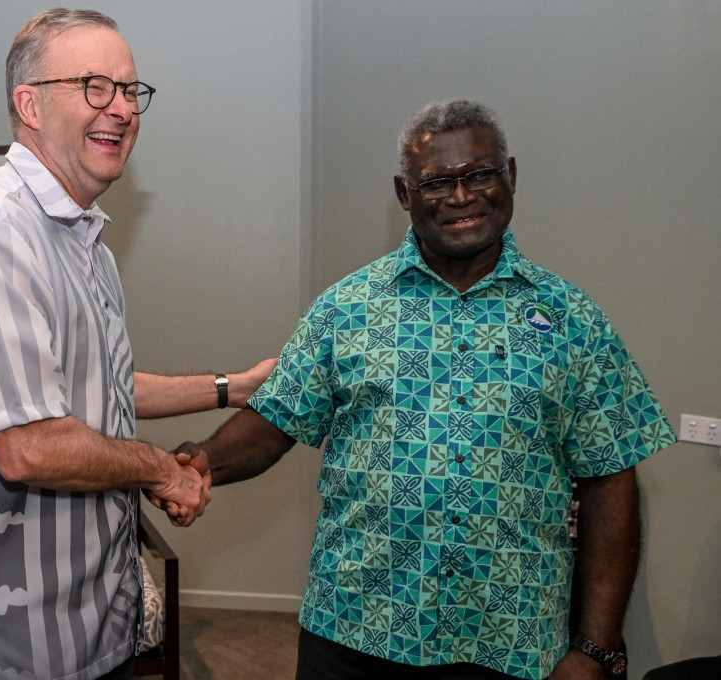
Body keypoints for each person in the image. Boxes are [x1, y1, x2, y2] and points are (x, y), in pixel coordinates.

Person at [170, 100, 676, 679]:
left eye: (479, 175)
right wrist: (198, 463)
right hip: (356, 631)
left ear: (509, 176)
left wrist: (595, 648)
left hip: (509, 640)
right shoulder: (347, 308)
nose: (461, 197)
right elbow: (276, 420)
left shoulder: (572, 319)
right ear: (404, 194)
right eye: (436, 182)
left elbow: (612, 481)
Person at [0, 9, 273, 680]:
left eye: (130, 90)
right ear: (30, 103)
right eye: (94, 86)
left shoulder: (86, 243)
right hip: (18, 646)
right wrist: (163, 471)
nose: (121, 109)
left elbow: (101, 386)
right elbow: (27, 445)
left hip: (94, 621)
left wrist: (234, 386)